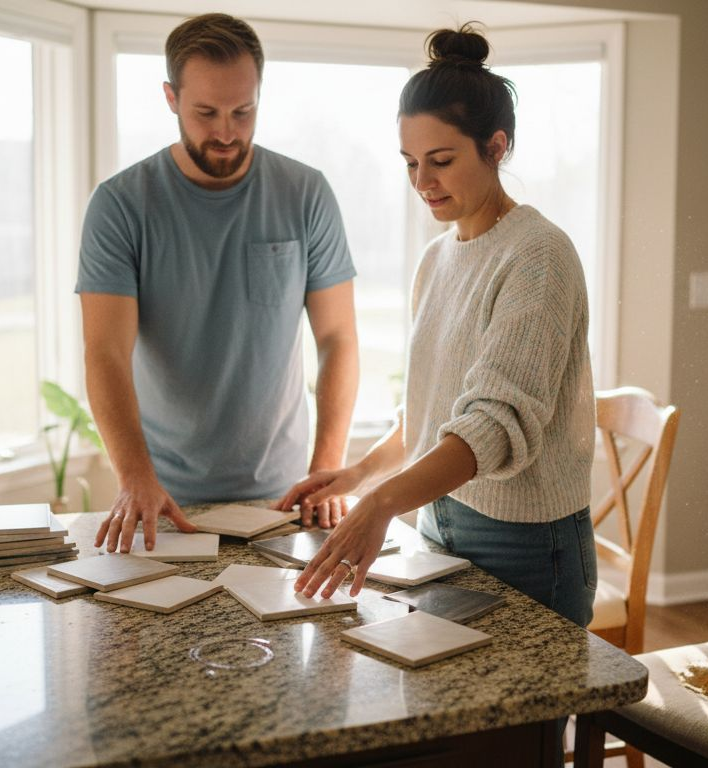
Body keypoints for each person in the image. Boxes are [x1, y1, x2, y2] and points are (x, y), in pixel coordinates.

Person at [279, 24, 597, 626]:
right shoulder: (437, 257)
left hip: (528, 544)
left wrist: (381, 504)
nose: (423, 182)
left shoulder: (540, 256)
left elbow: (491, 427)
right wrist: (353, 475)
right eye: (410, 163)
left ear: (496, 147)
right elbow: (433, 415)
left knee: (520, 720)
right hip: (436, 519)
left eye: (442, 161)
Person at [77, 14, 359, 554]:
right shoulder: (120, 206)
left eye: (243, 111)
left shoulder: (306, 194)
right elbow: (106, 352)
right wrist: (136, 477)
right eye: (206, 112)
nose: (227, 131)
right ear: (171, 98)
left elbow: (338, 339)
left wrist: (326, 466)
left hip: (283, 498)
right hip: (163, 499)